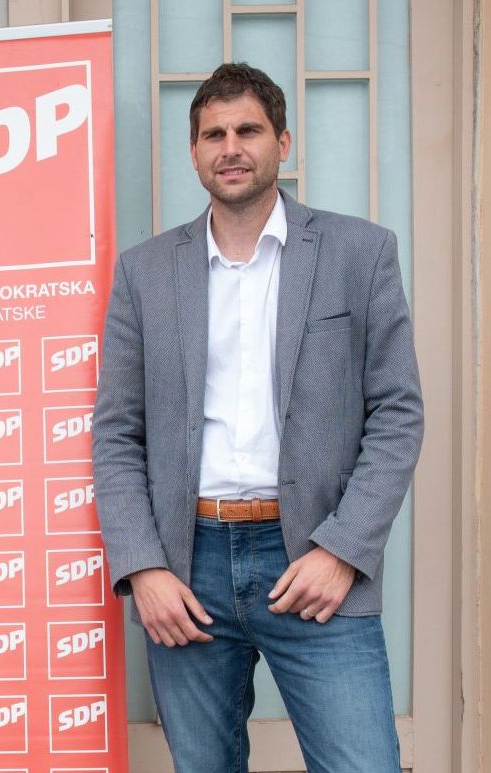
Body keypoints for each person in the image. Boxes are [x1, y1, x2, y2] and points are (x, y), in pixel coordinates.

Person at [92, 63, 422, 771]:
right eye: (214, 134)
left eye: (248, 130)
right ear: (194, 152)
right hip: (188, 572)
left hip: (314, 562)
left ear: (283, 142)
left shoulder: (360, 253)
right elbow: (117, 432)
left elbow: (398, 413)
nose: (231, 148)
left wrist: (342, 550)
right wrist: (143, 566)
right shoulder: (145, 272)